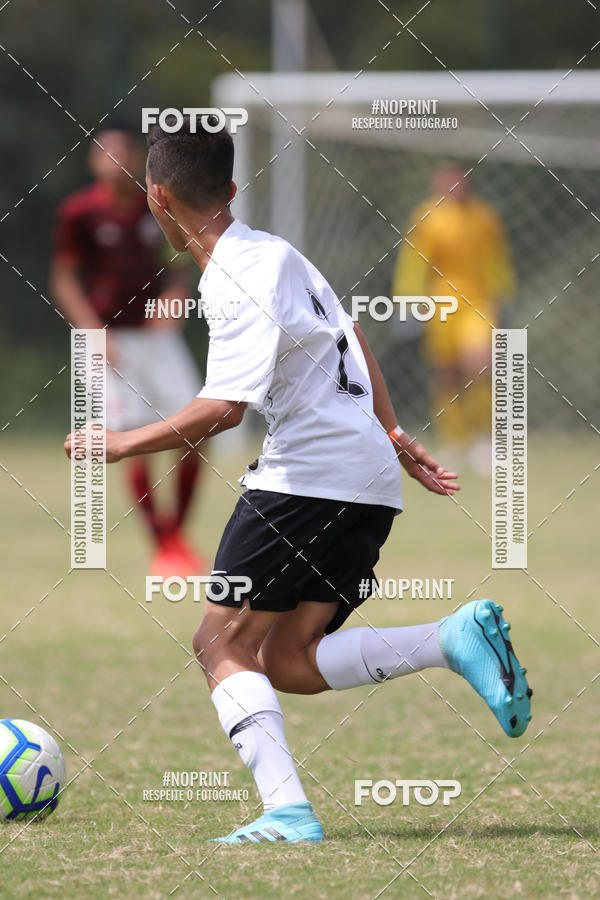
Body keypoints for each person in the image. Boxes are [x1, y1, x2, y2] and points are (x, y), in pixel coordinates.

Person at [65, 120, 532, 844]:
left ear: (157, 197)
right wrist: (392, 432)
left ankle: (287, 812)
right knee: (287, 658)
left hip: (305, 479)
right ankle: (450, 637)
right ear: (231, 187)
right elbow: (353, 333)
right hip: (365, 480)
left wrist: (124, 441)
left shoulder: (231, 278)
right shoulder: (278, 253)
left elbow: (223, 408)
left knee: (217, 641)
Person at [51, 126, 206, 575]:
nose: (114, 161)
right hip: (105, 340)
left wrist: (176, 292)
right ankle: (164, 545)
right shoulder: (78, 212)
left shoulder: (155, 204)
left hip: (158, 338)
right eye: (106, 154)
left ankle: (176, 533)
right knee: (126, 438)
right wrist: (92, 330)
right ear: (93, 162)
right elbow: (63, 278)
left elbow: (179, 260)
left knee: (196, 431)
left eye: (122, 153)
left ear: (136, 158)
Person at [393, 162, 516, 473]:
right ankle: (454, 440)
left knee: (481, 365)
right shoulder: (427, 217)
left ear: (466, 183)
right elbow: (414, 262)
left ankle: (485, 440)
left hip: (478, 303)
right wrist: (407, 302)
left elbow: (496, 259)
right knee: (446, 374)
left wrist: (505, 292)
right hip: (441, 306)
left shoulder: (485, 217)